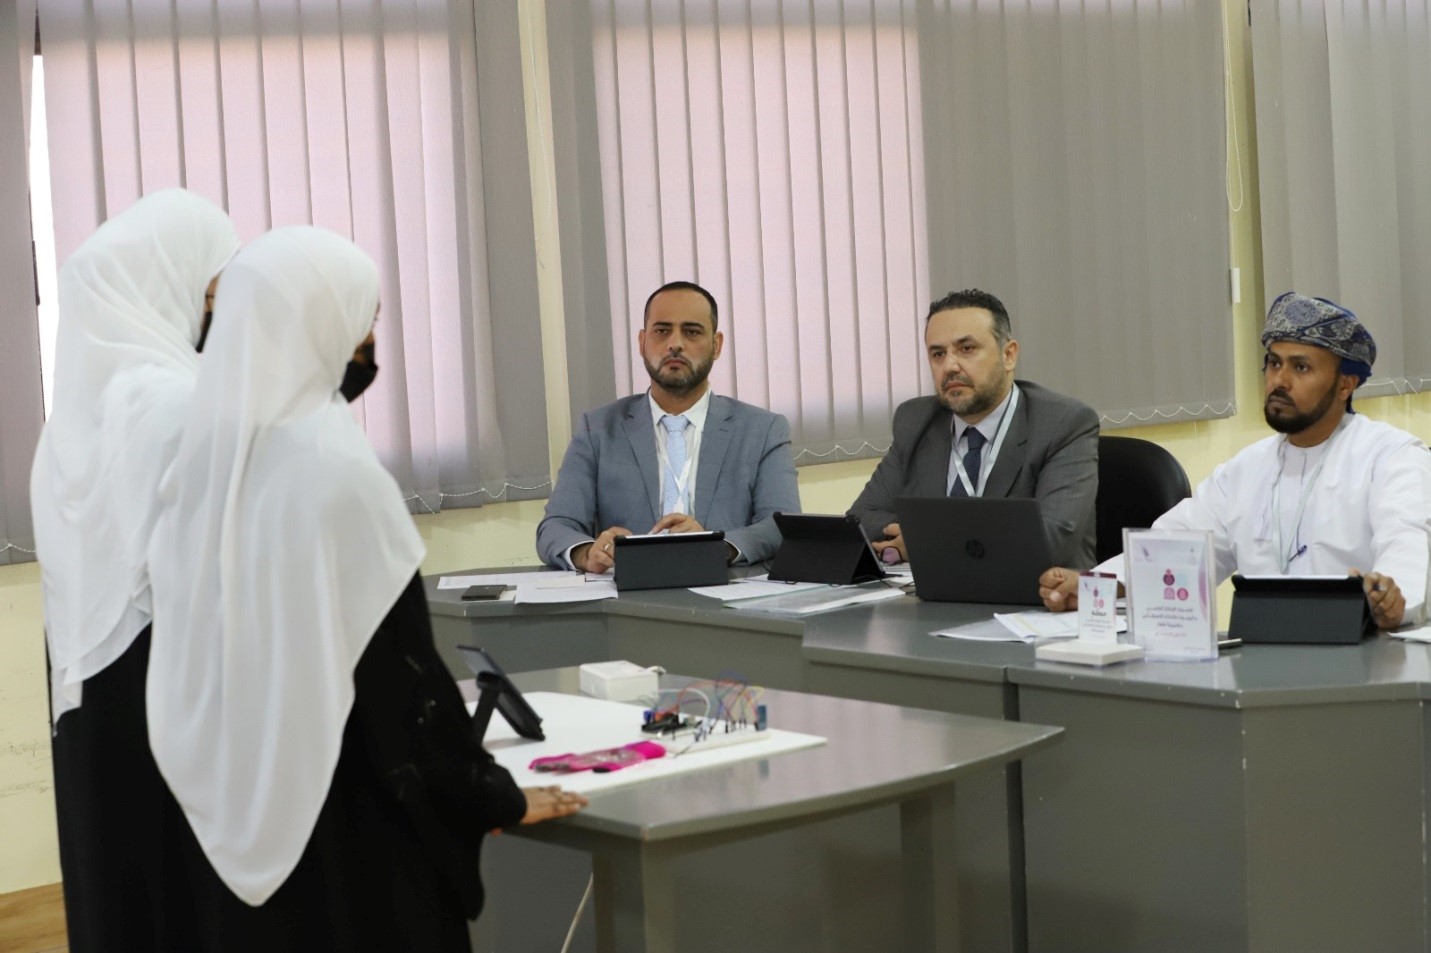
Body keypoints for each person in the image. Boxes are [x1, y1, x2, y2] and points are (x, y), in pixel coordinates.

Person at [146, 226, 585, 950]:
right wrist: (491, 795)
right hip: (348, 828)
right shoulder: (332, 467)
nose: (368, 345)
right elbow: (400, 682)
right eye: (364, 323)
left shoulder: (202, 463)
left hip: (231, 808)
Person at [30, 189, 241, 951]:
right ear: (170, 286)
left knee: (113, 884)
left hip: (88, 686)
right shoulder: (178, 399)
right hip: (176, 680)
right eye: (213, 292)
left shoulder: (70, 424)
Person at [1039, 292, 1431, 629]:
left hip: (1363, 665)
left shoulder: (1391, 457)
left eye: (1301, 367)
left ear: (1347, 383)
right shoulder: (1248, 468)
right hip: (1262, 660)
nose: (1280, 381)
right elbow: (1173, 548)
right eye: (1274, 363)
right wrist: (1092, 585)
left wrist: (1390, 601)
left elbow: (1404, 555)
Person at [536, 280, 801, 572]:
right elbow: (556, 526)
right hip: (626, 601)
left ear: (716, 345)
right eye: (662, 331)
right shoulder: (598, 429)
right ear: (642, 342)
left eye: (691, 331)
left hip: (727, 599)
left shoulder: (762, 430)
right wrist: (587, 553)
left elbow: (780, 524)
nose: (675, 343)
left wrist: (716, 546)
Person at [848, 288, 1099, 568]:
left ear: (1009, 355)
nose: (950, 366)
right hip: (933, 600)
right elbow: (861, 517)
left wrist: (927, 540)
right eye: (938, 354)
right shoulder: (916, 420)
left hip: (1032, 602)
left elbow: (1051, 541)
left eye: (966, 349)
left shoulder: (1063, 424)